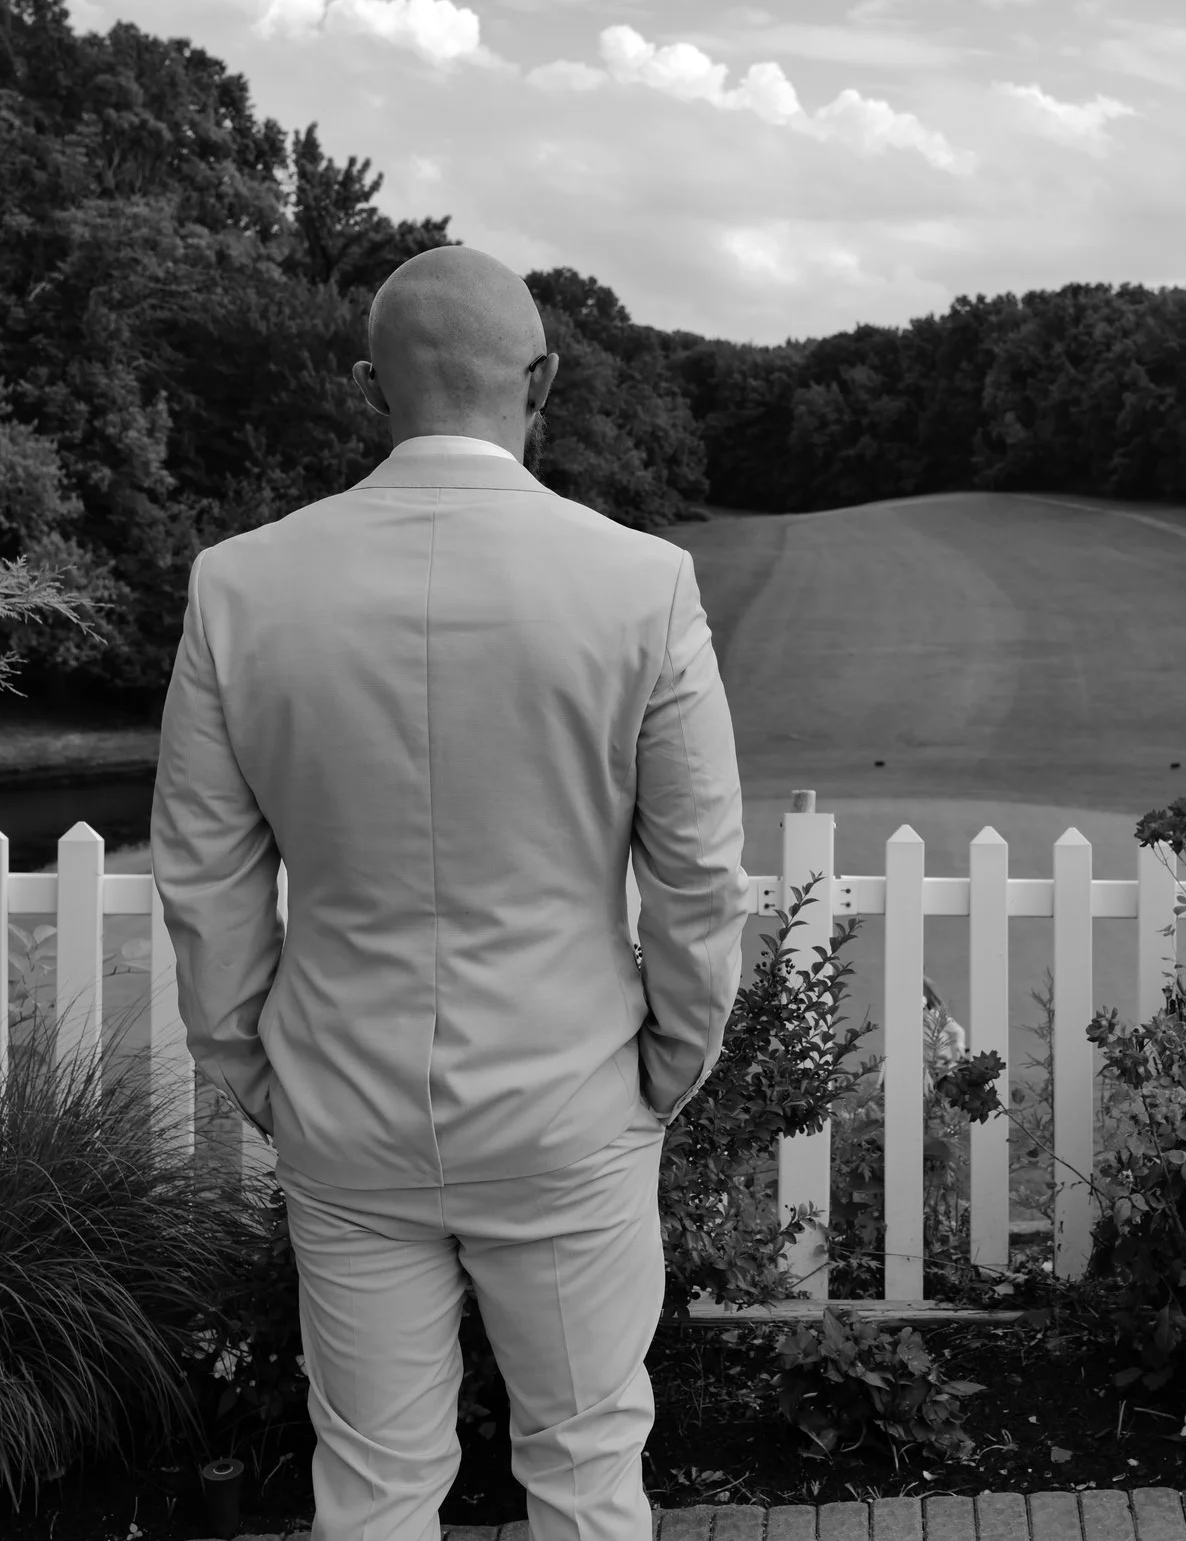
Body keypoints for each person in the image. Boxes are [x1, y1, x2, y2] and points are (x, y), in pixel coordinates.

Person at [152, 245, 747, 1541]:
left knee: (368, 1490)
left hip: (345, 1104)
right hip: (569, 1097)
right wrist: (669, 1065)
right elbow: (699, 876)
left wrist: (252, 1065)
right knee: (586, 1474)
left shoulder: (241, 586)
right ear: (541, 379)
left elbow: (206, 874)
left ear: (374, 385)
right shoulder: (640, 585)